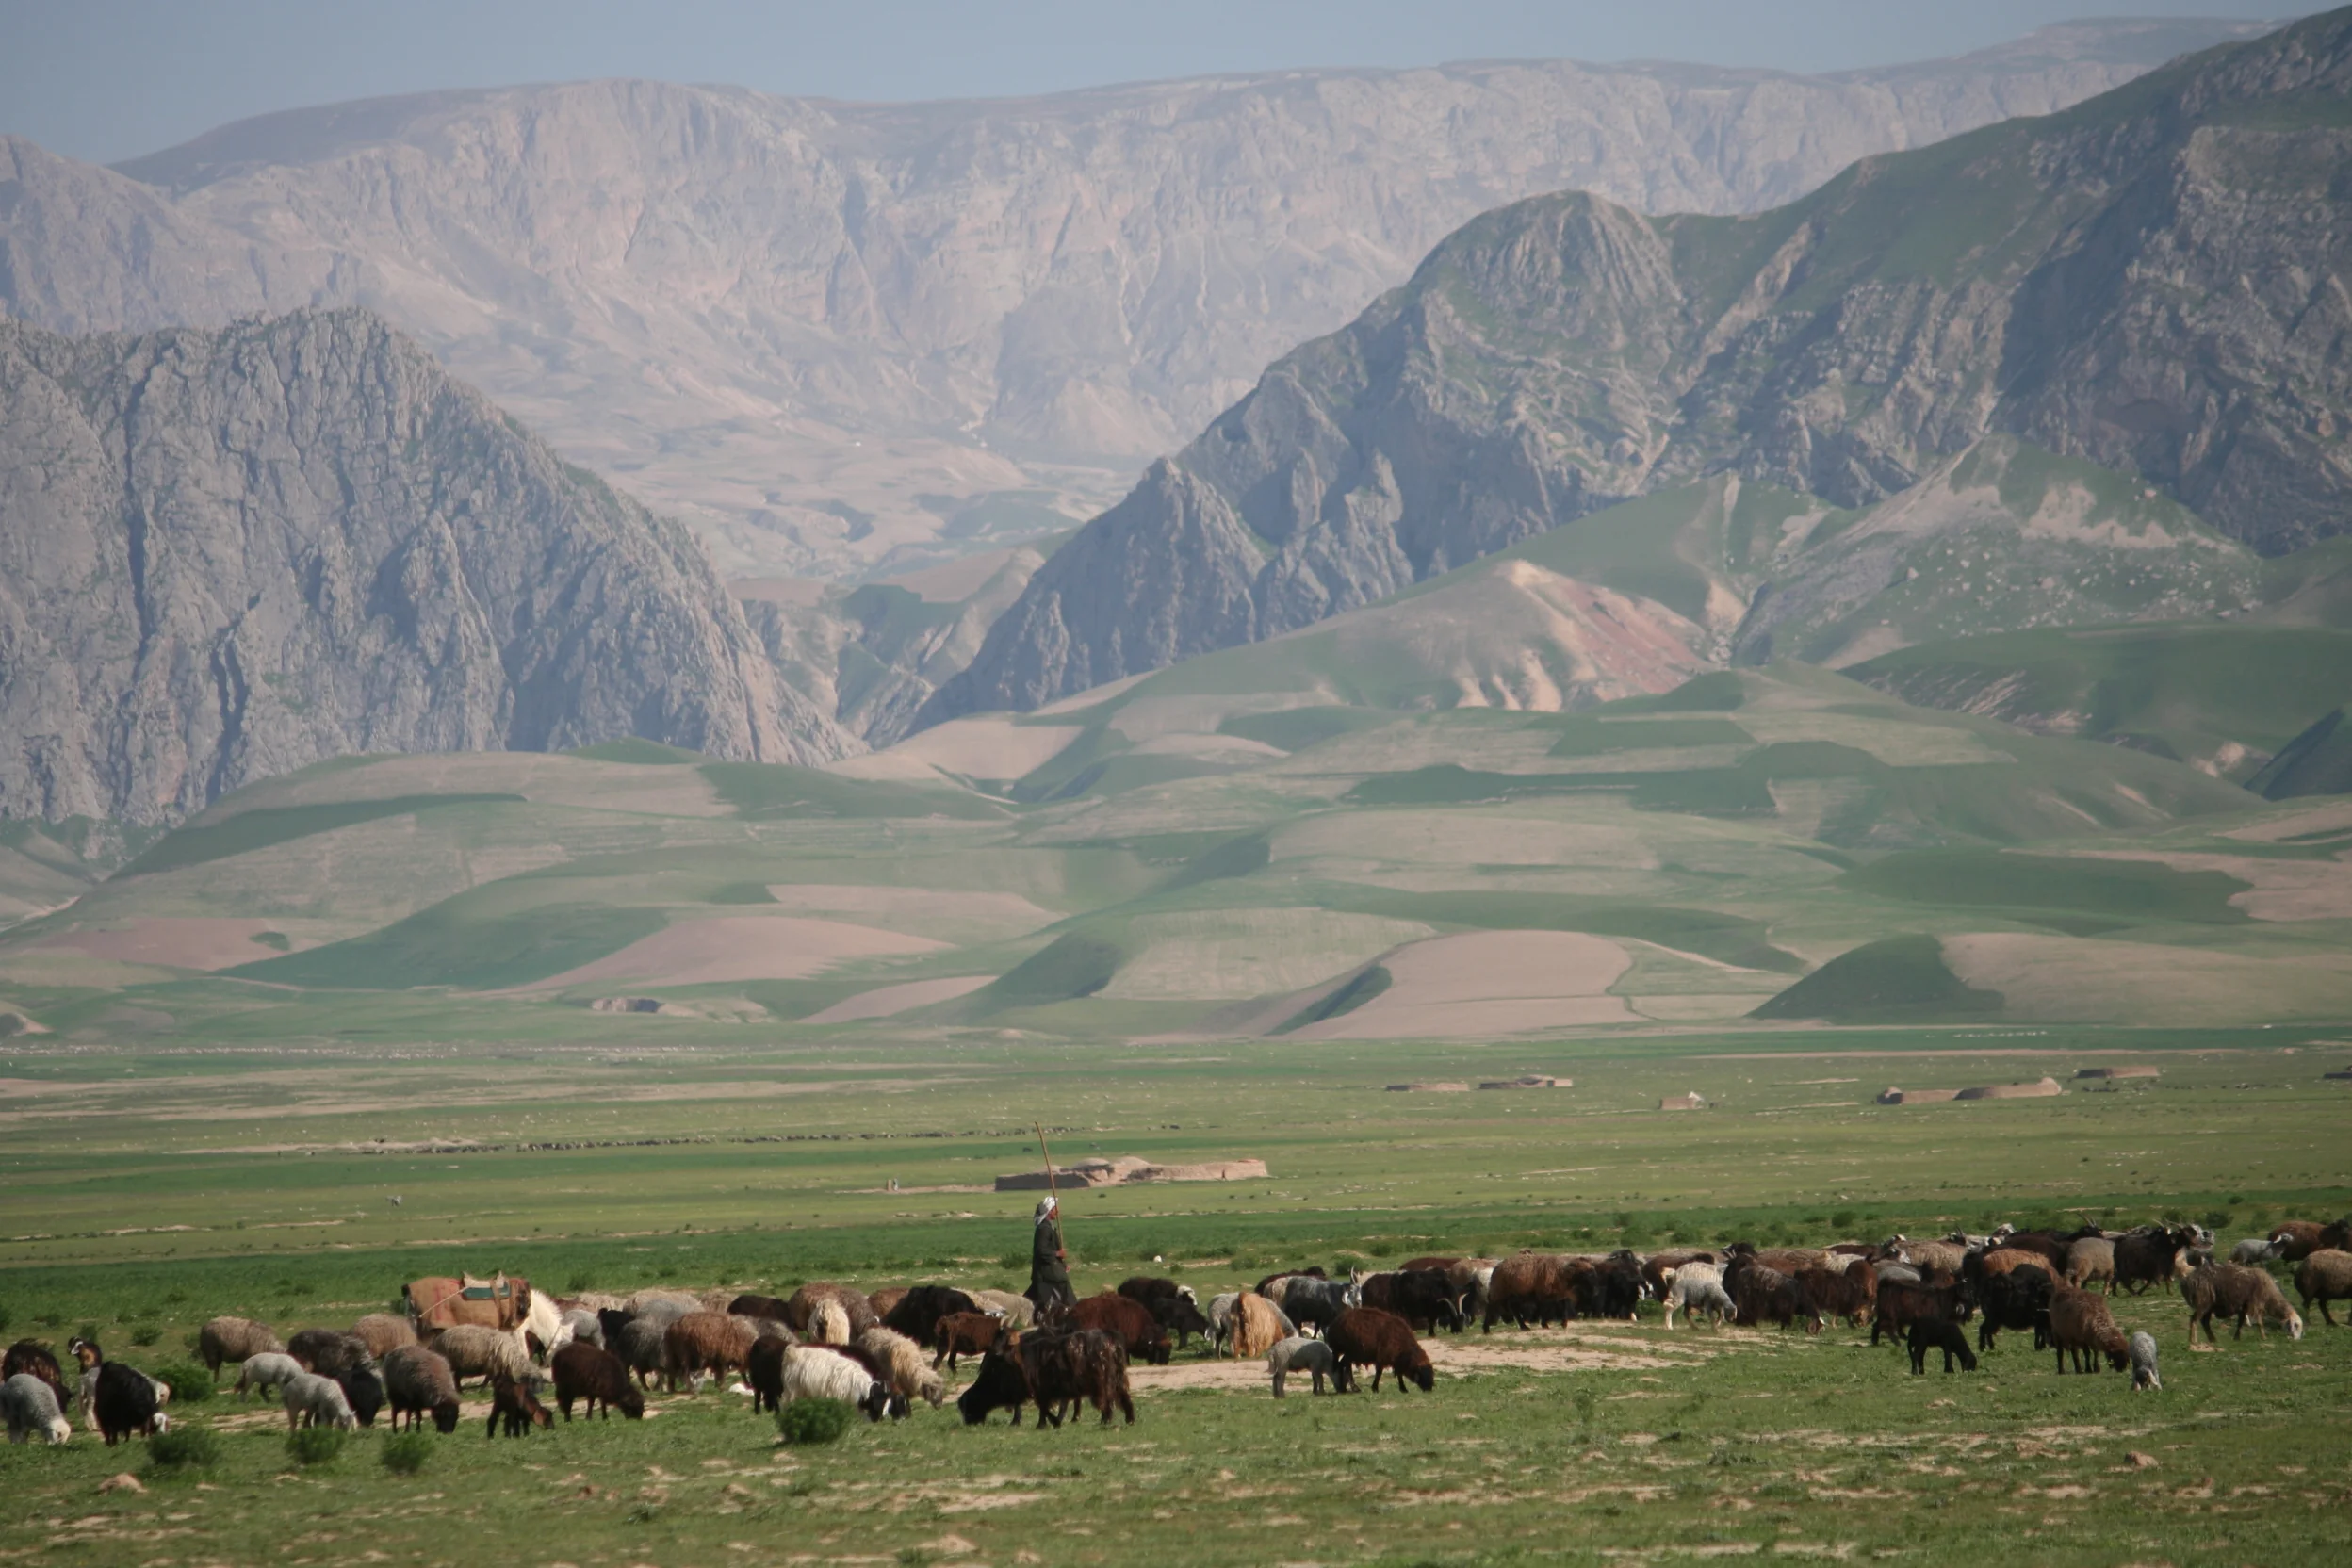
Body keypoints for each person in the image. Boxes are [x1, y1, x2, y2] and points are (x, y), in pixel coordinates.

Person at [1026, 1194, 1074, 1314]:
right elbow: (1041, 1251)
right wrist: (1058, 1254)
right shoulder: (1044, 1229)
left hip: (1048, 1271)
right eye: (1054, 1209)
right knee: (1063, 1291)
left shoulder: (1048, 1227)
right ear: (1049, 1211)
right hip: (1047, 1273)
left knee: (1034, 1299)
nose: (1057, 1211)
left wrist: (1062, 1265)